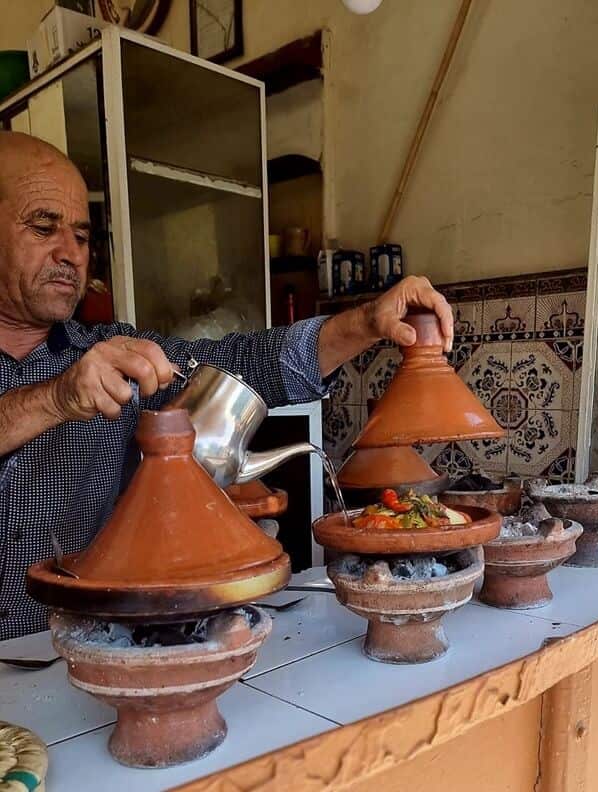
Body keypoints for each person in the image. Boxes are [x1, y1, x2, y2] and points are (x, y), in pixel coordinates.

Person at [0, 131, 453, 639]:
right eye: (44, 228)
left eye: (82, 237)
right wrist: (57, 398)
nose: (71, 253)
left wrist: (366, 323)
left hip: (90, 652)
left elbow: (239, 364)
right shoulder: (84, 374)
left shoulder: (113, 353)